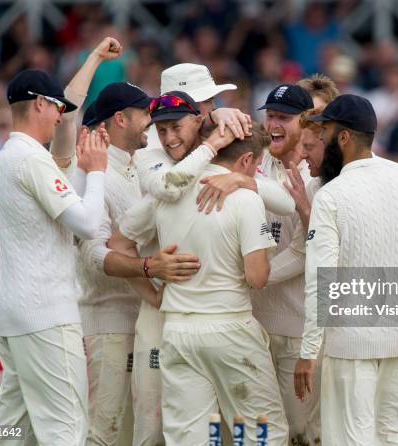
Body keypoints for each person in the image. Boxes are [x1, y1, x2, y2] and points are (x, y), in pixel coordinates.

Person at [124, 64, 295, 446]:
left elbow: (121, 236)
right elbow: (258, 276)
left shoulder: (177, 190)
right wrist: (148, 270)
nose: (211, 108)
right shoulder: (161, 164)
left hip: (177, 327)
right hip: (227, 326)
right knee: (261, 431)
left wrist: (240, 174)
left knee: (189, 437)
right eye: (206, 102)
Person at [294, 94, 398, 444]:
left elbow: (320, 281)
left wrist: (308, 352)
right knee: (397, 439)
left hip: (351, 345)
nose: (321, 139)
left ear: (343, 137)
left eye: (325, 131)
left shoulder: (332, 194)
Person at [0, 69, 108, 445]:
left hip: (13, 315)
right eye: (58, 107)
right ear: (40, 102)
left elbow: (64, 204)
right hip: (46, 315)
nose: (61, 117)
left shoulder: (4, 158)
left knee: (11, 431)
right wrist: (98, 172)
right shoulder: (31, 159)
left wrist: (93, 59)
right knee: (66, 430)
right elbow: (87, 223)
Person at [77, 82, 196, 446]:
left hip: (141, 321)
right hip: (107, 323)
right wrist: (149, 268)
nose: (151, 122)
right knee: (103, 433)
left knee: (133, 434)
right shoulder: (91, 174)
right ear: (119, 119)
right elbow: (94, 255)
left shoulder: (138, 166)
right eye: (144, 114)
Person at [250, 83, 323, 444]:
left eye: (284, 118)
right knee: (258, 431)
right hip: (251, 324)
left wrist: (252, 279)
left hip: (295, 327)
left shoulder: (315, 176)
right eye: (270, 115)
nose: (274, 124)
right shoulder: (251, 161)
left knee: (301, 431)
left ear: (304, 122)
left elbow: (305, 250)